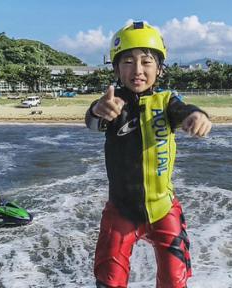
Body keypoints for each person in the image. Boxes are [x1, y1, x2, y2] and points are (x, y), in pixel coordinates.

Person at [85, 21, 212, 288]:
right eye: (128, 62)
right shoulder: (113, 102)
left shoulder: (167, 101)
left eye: (146, 62)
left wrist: (197, 116)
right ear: (117, 69)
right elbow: (93, 120)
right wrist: (99, 109)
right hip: (121, 210)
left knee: (174, 281)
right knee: (108, 281)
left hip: (163, 210)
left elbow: (184, 109)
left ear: (159, 69)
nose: (138, 70)